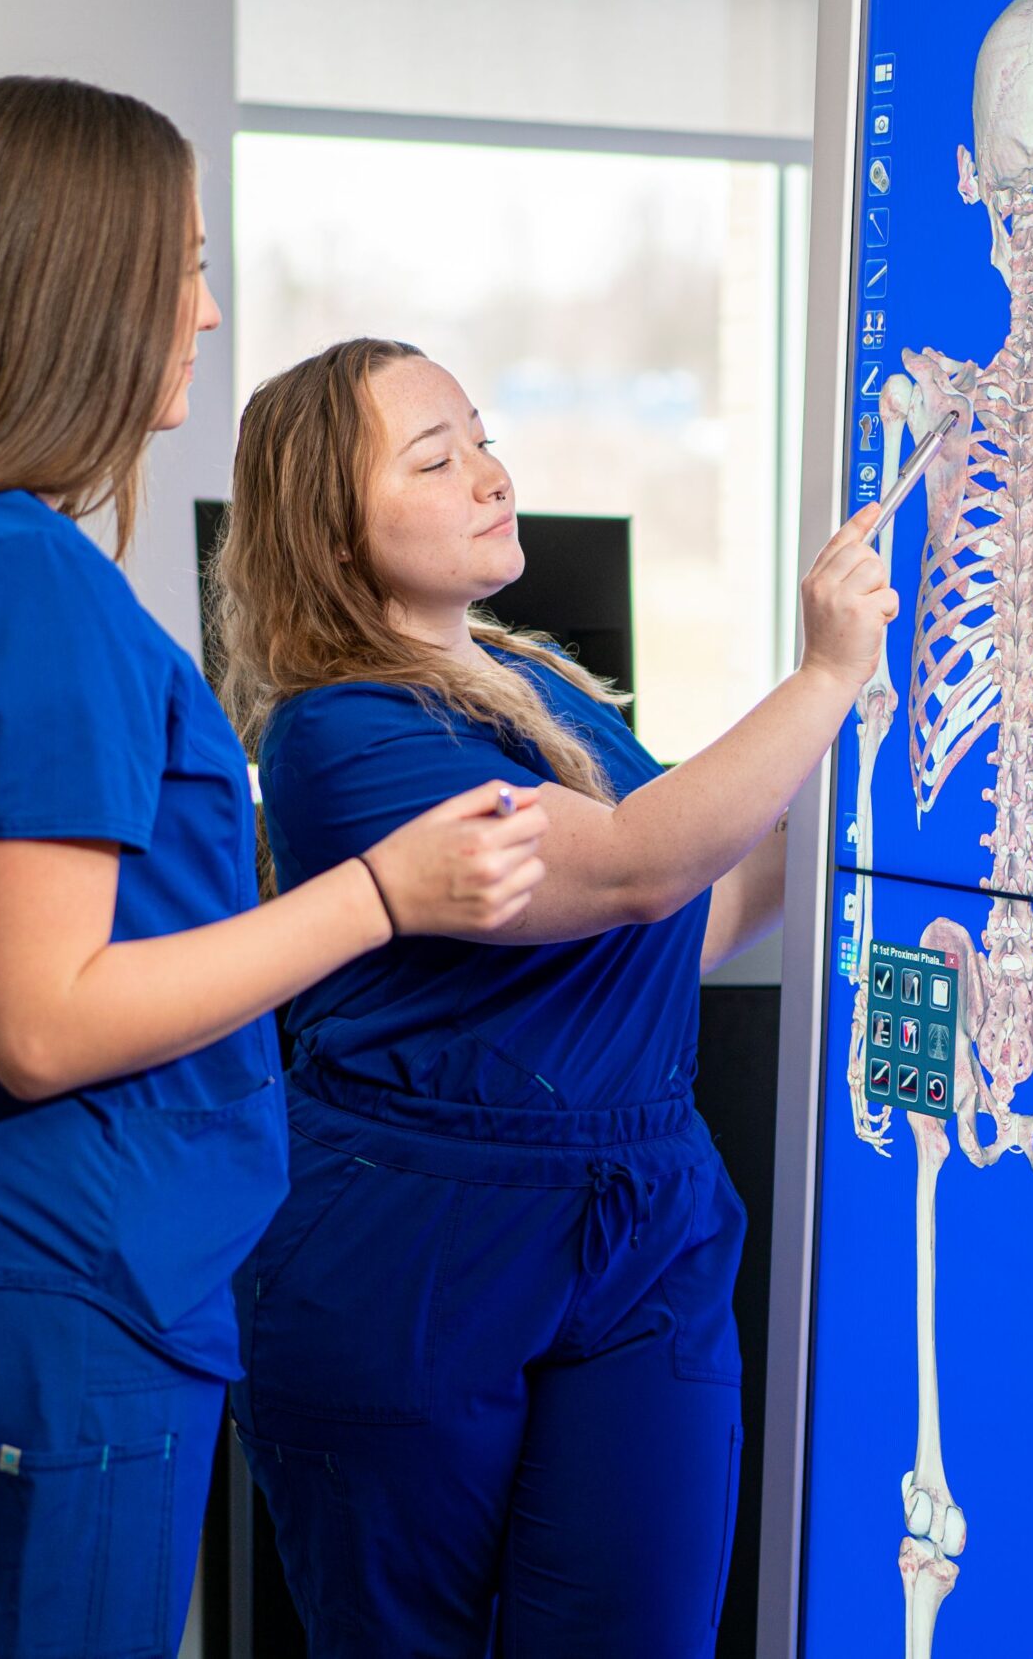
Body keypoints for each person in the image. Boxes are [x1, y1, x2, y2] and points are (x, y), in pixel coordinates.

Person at [0, 82, 545, 1657]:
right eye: (178, 265)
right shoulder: (28, 578)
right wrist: (379, 895)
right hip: (41, 1269)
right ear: (72, 287)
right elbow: (43, 1020)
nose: (203, 310)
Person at [210, 337, 894, 1656]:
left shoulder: (547, 690)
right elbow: (640, 868)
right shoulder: (338, 734)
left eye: (481, 436)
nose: (491, 475)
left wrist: (870, 807)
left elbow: (680, 924)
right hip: (416, 1247)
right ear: (331, 534)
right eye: (435, 456)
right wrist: (821, 681)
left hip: (640, 1219)